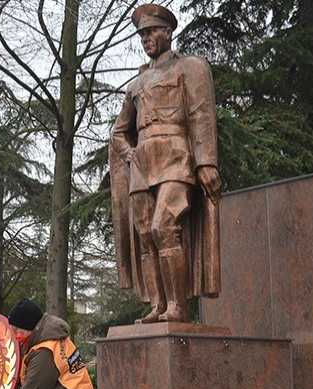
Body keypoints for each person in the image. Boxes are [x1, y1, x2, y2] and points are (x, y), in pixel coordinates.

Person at [109, 3, 223, 323]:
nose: (146, 39)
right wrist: (129, 152)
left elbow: (202, 114)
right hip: (143, 162)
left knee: (164, 226)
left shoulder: (191, 67)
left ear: (167, 32)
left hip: (176, 156)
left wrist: (206, 163)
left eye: (151, 32)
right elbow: (118, 132)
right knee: (146, 233)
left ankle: (178, 306)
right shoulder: (136, 84)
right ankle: (158, 305)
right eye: (142, 34)